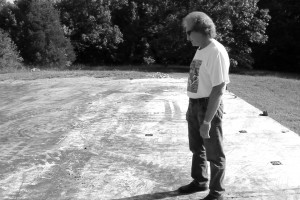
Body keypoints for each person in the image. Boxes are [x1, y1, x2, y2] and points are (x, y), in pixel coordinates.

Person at [178, 11, 230, 200]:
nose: (187, 36)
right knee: (197, 147)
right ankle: (200, 181)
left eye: (188, 32)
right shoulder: (201, 48)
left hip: (208, 106)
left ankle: (217, 193)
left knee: (214, 153)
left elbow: (218, 89)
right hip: (195, 105)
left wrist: (207, 120)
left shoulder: (215, 51)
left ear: (200, 31)